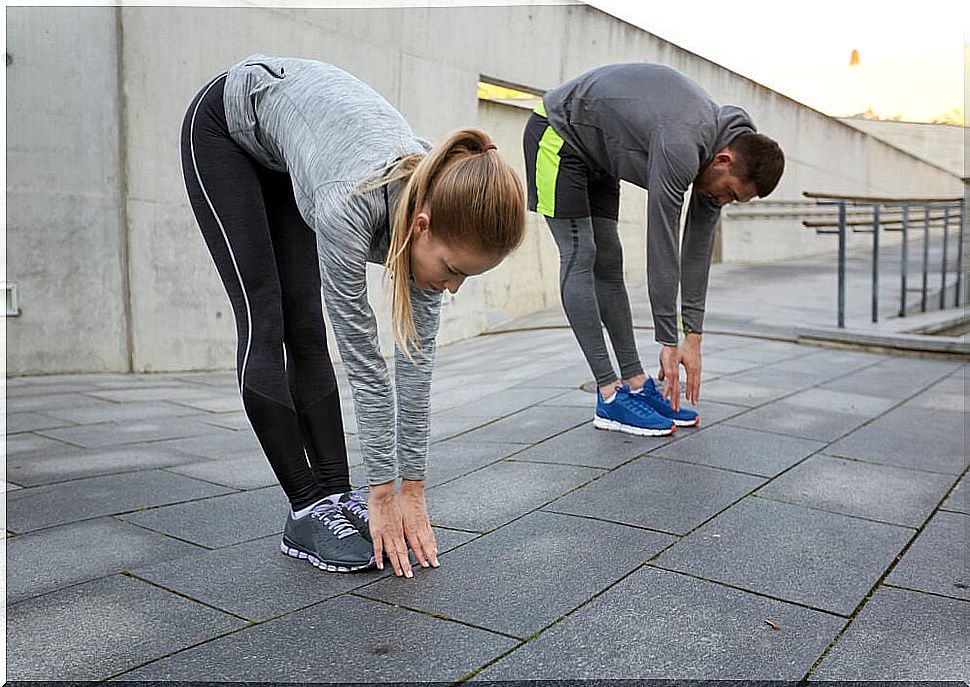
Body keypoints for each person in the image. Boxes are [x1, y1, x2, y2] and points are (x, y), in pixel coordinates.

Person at [180, 55, 525, 578]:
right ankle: (305, 509)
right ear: (422, 226)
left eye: (466, 278)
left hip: (293, 151)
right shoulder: (349, 203)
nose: (452, 287)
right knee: (268, 317)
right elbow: (366, 365)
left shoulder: (440, 199)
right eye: (453, 270)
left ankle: (338, 496)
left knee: (308, 327)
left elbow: (414, 368)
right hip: (225, 130)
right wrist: (382, 490)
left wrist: (412, 489)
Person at [522, 62, 784, 437]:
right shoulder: (683, 144)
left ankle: (632, 381)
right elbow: (663, 241)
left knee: (609, 261)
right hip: (557, 132)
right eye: (729, 192)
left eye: (735, 200)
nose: (724, 200)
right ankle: (609, 396)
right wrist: (667, 340)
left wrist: (692, 338)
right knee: (581, 254)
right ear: (724, 160)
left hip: (597, 154)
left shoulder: (730, 151)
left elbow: (696, 250)